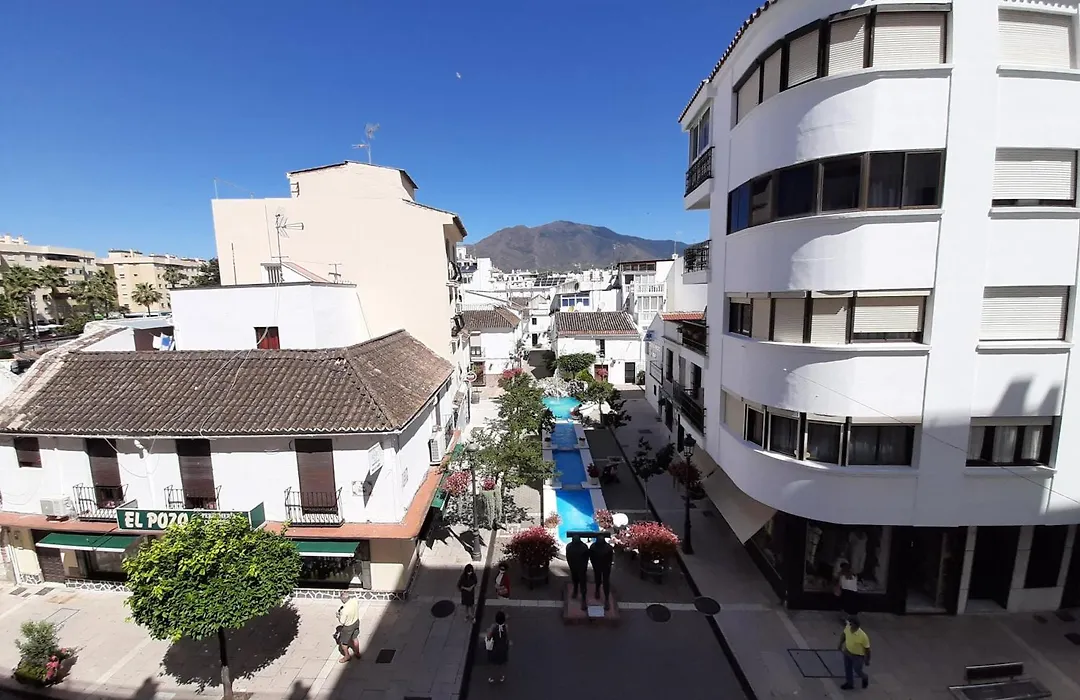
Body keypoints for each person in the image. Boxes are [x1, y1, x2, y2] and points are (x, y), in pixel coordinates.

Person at [838, 616, 871, 690]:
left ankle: (864, 677)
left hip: (858, 656)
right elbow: (844, 635)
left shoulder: (863, 636)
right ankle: (850, 683)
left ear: (856, 625)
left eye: (851, 624)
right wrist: (840, 644)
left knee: (857, 670)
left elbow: (867, 649)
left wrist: (867, 660)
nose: (849, 625)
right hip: (847, 651)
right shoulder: (848, 627)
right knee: (847, 668)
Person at [336, 591, 361, 663]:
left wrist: (338, 616)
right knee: (355, 638)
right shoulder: (354, 601)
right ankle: (357, 653)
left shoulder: (344, 611)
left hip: (348, 626)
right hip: (356, 622)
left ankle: (347, 656)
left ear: (343, 599)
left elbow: (342, 622)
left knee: (343, 642)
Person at [486, 610, 510, 683]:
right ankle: (501, 676)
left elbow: (489, 637)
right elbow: (506, 637)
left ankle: (492, 677)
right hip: (503, 648)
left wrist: (489, 630)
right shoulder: (506, 627)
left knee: (494, 663)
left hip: (495, 648)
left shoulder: (493, 627)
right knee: (501, 663)